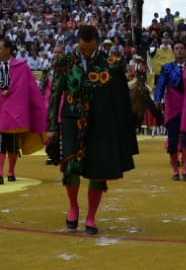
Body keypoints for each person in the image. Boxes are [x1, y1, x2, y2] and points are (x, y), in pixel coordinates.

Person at [45, 24, 137, 234]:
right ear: (77, 43)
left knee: (98, 170)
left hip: (100, 122)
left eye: (90, 50)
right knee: (70, 167)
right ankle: (73, 206)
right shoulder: (64, 62)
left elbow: (119, 100)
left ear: (97, 43)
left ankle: (91, 216)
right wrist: (51, 127)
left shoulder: (111, 64)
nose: (87, 53)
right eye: (83, 49)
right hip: (71, 120)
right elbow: (55, 96)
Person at [0, 37, 47, 185]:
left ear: (8, 49)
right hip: (1, 110)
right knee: (1, 140)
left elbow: (31, 89)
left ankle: (11, 171)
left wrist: (36, 107)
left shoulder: (22, 66)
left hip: (16, 111)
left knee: (13, 143)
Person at [152, 40, 186, 181]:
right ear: (173, 51)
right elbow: (160, 85)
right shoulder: (167, 68)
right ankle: (175, 170)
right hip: (173, 107)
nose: (179, 51)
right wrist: (157, 100)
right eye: (176, 48)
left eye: (181, 48)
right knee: (172, 139)